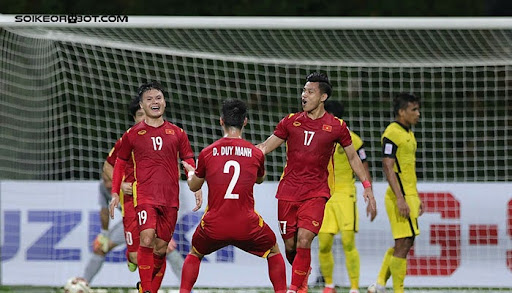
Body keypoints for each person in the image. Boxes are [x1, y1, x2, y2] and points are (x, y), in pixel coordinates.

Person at [257, 72, 376, 293]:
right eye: (303, 91)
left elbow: (353, 157)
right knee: (291, 247)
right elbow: (264, 147)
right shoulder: (290, 122)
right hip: (288, 192)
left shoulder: (337, 126)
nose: (304, 95)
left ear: (323, 97)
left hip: (316, 193)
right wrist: (242, 153)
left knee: (304, 239)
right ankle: (303, 274)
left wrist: (367, 186)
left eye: (310, 91)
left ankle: (294, 290)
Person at [179, 98, 287, 293]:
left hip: (214, 224)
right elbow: (260, 180)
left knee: (195, 253)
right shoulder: (255, 153)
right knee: (273, 251)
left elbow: (194, 185)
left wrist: (190, 172)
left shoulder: (207, 152)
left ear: (221, 121)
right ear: (245, 121)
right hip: (247, 224)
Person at [109, 81, 201, 293]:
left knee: (160, 249)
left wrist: (195, 185)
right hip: (144, 196)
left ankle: (147, 286)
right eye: (149, 99)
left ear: (165, 102)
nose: (154, 102)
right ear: (142, 105)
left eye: (158, 98)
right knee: (147, 238)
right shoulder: (132, 134)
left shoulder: (177, 133)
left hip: (170, 198)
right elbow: (119, 163)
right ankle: (148, 290)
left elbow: (188, 160)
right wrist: (115, 191)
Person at [82, 95, 146, 284]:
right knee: (102, 246)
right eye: (139, 114)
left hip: (151, 207)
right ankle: (84, 282)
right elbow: (104, 211)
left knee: (165, 247)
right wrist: (103, 234)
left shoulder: (164, 138)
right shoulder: (127, 141)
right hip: (132, 216)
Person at [317, 100, 376, 293]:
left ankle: (354, 288)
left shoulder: (353, 140)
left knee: (348, 242)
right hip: (325, 197)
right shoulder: (318, 138)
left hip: (345, 196)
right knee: (324, 243)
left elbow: (363, 167)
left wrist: (370, 194)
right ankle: (329, 285)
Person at [367, 93, 422, 293]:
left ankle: (380, 284)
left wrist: (416, 196)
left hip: (409, 194)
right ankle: (397, 290)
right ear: (401, 112)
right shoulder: (392, 132)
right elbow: (388, 166)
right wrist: (400, 198)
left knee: (406, 242)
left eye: (417, 109)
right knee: (403, 243)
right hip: (400, 196)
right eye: (413, 110)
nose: (418, 113)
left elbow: (406, 169)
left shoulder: (408, 132)